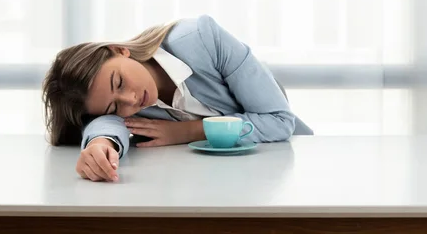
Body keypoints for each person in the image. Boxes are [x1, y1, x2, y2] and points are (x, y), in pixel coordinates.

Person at [42, 14, 312, 182]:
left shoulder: (202, 39)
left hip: (287, 172)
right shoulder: (122, 111)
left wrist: (188, 131)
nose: (131, 100)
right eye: (114, 105)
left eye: (120, 82)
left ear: (120, 50)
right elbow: (106, 125)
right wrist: (101, 144)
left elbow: (278, 120)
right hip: (220, 188)